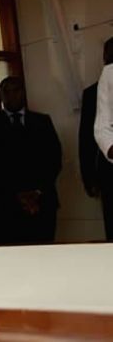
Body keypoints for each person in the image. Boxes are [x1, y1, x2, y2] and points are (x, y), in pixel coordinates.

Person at [0, 76, 62, 245]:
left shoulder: (42, 122)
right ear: (1, 95)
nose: (11, 95)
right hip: (6, 206)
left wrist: (37, 191)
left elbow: (54, 160)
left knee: (45, 251)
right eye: (6, 92)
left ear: (23, 92)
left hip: (42, 201)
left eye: (15, 90)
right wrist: (17, 195)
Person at [79, 37, 113, 240]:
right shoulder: (92, 92)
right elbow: (86, 138)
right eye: (109, 54)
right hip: (108, 170)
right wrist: (89, 178)